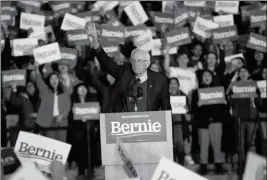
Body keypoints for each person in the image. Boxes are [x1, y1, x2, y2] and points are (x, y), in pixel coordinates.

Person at [85, 22, 171, 112]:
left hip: (147, 121)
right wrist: (95, 43)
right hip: (123, 120)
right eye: (134, 60)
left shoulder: (156, 79)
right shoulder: (123, 73)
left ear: (146, 63)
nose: (136, 63)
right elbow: (106, 61)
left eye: (140, 60)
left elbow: (164, 105)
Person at [192, 70, 228, 175]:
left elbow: (224, 109)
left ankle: (218, 165)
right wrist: (197, 105)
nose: (206, 77)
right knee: (203, 144)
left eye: (209, 75)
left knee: (217, 144)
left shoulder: (219, 90)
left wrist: (225, 103)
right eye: (204, 75)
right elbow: (193, 109)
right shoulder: (196, 92)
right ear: (201, 78)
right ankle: (203, 166)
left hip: (216, 121)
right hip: (202, 122)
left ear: (212, 77)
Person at [34, 64, 71, 142]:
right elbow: (39, 81)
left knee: (62, 144)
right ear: (49, 81)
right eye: (51, 79)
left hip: (62, 122)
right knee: (50, 144)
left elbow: (68, 106)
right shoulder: (45, 91)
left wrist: (62, 115)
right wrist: (36, 68)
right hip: (49, 121)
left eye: (56, 79)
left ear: (59, 80)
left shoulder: (65, 92)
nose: (54, 81)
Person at [169, 77, 195, 166]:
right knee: (171, 146)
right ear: (168, 85)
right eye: (171, 83)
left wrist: (187, 110)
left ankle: (181, 164)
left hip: (181, 124)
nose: (173, 85)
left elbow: (189, 112)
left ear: (178, 85)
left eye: (175, 83)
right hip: (170, 124)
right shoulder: (164, 96)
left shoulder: (183, 96)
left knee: (181, 145)